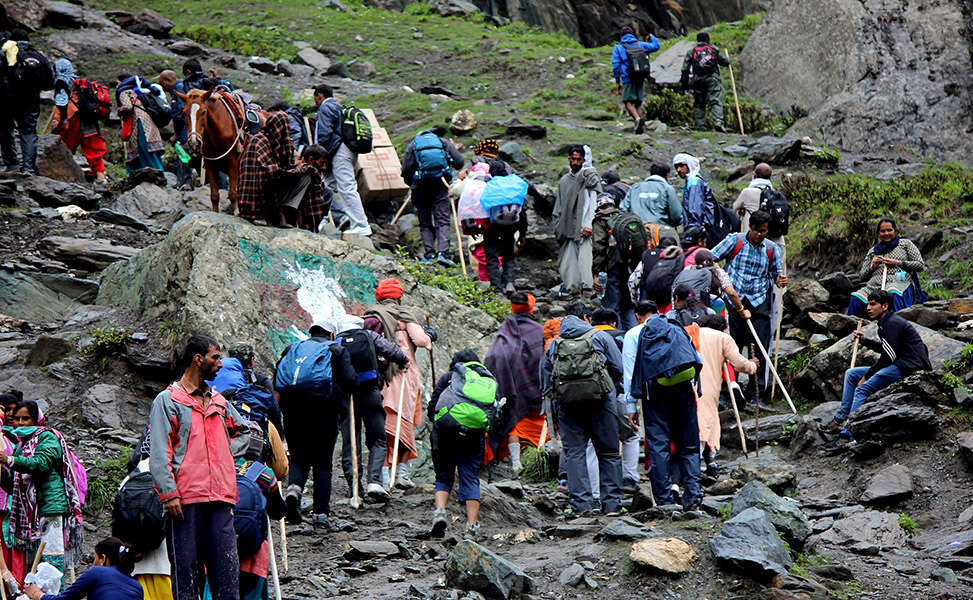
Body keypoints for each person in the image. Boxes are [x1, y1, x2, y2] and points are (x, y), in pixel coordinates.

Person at [149, 336, 249, 600]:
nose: (220, 364)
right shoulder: (168, 400)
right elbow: (159, 452)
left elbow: (245, 432)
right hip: (185, 501)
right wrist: (169, 494)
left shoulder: (219, 401)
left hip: (221, 498)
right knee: (187, 575)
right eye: (215, 357)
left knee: (226, 573)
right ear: (198, 359)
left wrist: (225, 457)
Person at [539, 311, 624, 515]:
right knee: (609, 453)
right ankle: (612, 504)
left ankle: (581, 505)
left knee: (575, 454)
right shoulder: (600, 337)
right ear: (585, 321)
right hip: (602, 403)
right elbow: (619, 368)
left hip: (568, 407)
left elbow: (546, 381)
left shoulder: (554, 345)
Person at [277, 321, 358, 529]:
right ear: (331, 334)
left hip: (293, 412)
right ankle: (320, 514)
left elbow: (279, 378)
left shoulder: (293, 349)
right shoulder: (336, 350)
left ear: (310, 333)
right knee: (322, 463)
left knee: (297, 458)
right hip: (325, 412)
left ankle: (294, 488)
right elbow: (350, 381)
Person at [824, 289, 931, 440]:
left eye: (873, 304)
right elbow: (887, 349)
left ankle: (849, 430)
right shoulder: (885, 323)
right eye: (867, 304)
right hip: (898, 363)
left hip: (908, 366)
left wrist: (868, 376)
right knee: (851, 374)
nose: (868, 308)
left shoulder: (892, 323)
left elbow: (888, 356)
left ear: (885, 306)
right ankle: (841, 418)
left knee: (862, 389)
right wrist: (865, 341)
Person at [1, 400, 85, 588]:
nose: (21, 423)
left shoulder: (47, 437)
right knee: (35, 562)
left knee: (51, 557)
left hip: (50, 506)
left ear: (37, 420)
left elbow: (42, 464)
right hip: (32, 513)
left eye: (26, 418)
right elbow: (15, 485)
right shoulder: (22, 445)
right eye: (17, 419)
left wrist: (9, 459)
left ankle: (53, 595)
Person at [362, 278, 432, 490]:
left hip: (379, 377)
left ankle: (383, 475)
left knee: (383, 428)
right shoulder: (403, 315)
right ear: (399, 297)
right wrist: (429, 337)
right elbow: (421, 341)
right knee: (404, 424)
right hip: (403, 376)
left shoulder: (370, 316)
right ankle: (400, 472)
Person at [710, 210, 787, 404]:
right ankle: (729, 392)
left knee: (760, 349)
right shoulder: (734, 241)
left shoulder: (771, 249)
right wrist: (720, 273)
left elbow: (777, 274)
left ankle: (757, 394)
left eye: (764, 231)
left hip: (760, 303)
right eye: (756, 230)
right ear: (749, 227)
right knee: (731, 347)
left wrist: (780, 280)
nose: (760, 234)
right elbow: (710, 258)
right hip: (733, 304)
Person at [630, 310, 703, 510]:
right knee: (689, 446)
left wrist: (635, 397)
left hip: (655, 394)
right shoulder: (677, 330)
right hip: (683, 392)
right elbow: (696, 359)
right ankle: (693, 496)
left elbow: (638, 367)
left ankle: (664, 501)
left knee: (658, 447)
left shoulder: (645, 334)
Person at [335, 315, 409, 503]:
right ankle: (374, 481)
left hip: (346, 395)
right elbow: (391, 350)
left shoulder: (335, 342)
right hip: (370, 390)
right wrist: (404, 360)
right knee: (377, 438)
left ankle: (355, 489)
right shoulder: (368, 335)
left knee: (351, 441)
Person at [428, 350, 498, 539]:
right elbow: (493, 412)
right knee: (470, 476)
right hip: (474, 435)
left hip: (445, 430)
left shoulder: (449, 378)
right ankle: (472, 526)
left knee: (443, 475)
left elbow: (433, 404)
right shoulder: (486, 382)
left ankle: (440, 513)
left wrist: (435, 421)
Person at [483, 292, 545, 474]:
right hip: (536, 387)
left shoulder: (506, 329)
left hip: (512, 385)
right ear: (531, 307)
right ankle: (540, 461)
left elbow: (494, 357)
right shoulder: (539, 331)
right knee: (538, 421)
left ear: (512, 307)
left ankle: (516, 462)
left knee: (513, 421)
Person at [238, 115, 330, 231]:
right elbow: (265, 172)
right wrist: (286, 171)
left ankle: (286, 212)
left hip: (274, 190)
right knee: (274, 176)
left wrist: (294, 167)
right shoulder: (259, 141)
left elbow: (286, 165)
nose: (285, 134)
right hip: (255, 193)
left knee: (308, 174)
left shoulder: (280, 144)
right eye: (283, 130)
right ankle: (262, 212)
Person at [696, 314, 758, 474]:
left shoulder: (691, 332)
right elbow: (738, 363)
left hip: (686, 383)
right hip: (708, 385)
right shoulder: (723, 338)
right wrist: (752, 365)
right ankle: (704, 462)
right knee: (708, 420)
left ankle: (695, 463)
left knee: (694, 420)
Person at [312, 84, 371, 236]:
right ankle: (324, 219)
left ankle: (361, 225)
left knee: (346, 186)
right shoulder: (338, 107)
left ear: (320, 96)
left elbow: (324, 134)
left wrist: (320, 155)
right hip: (345, 151)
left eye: (315, 98)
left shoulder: (326, 108)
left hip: (339, 152)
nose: (315, 102)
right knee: (326, 186)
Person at [401, 130, 464, 266]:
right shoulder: (443, 143)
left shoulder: (413, 145)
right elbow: (459, 162)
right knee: (442, 220)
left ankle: (429, 254)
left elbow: (405, 169)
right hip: (441, 185)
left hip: (420, 187)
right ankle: (443, 253)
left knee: (425, 222)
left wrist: (412, 183)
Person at [847, 218, 926, 316]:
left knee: (892, 293)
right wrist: (872, 266)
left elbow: (920, 265)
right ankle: (853, 327)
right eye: (883, 231)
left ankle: (896, 325)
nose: (886, 233)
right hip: (874, 286)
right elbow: (862, 276)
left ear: (896, 231)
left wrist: (898, 263)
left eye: (889, 230)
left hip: (899, 283)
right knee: (856, 298)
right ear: (878, 233)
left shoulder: (905, 244)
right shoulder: (873, 251)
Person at [24, 537, 142, 600]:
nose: (93, 563)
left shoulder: (98, 572)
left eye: (95, 558)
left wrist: (37, 594)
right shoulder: (137, 587)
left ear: (103, 559)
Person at [553, 145, 601, 297]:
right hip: (568, 226)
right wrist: (559, 225)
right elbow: (560, 205)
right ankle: (572, 289)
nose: (575, 162)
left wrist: (589, 224)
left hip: (585, 228)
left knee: (586, 260)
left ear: (583, 160)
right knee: (569, 262)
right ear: (569, 159)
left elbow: (593, 203)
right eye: (573, 159)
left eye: (578, 160)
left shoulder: (590, 178)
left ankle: (588, 290)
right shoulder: (564, 181)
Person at [51, 59, 107, 187]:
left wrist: (57, 120)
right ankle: (100, 177)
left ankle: (63, 176)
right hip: (88, 118)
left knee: (65, 148)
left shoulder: (61, 82)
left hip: (72, 119)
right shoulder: (80, 82)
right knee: (93, 148)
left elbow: (62, 104)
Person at [621, 301, 658, 486]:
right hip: (677, 389)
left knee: (653, 434)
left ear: (637, 316)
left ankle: (655, 476)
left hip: (649, 391)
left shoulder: (633, 334)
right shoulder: (673, 328)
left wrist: (631, 405)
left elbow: (629, 371)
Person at [0, 30, 44, 174]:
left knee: (6, 131)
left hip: (7, 99)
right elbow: (49, 82)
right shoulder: (39, 55)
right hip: (30, 101)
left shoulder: (5, 52)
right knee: (28, 133)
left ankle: (12, 165)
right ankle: (28, 168)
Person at [482, 159, 527, 295]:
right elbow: (523, 210)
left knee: (492, 256)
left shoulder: (489, 185)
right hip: (512, 225)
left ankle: (496, 288)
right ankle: (509, 283)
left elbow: (482, 207)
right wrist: (523, 233)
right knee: (508, 255)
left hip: (493, 226)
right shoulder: (515, 184)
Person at [591, 192, 635, 329]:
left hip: (611, 268)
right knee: (628, 306)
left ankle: (616, 339)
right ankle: (632, 337)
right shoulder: (624, 218)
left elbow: (599, 248)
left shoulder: (600, 220)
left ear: (598, 206)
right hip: (629, 268)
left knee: (612, 307)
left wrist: (596, 273)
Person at [610, 26, 660, 134]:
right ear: (632, 34)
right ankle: (641, 127)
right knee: (638, 102)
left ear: (621, 36)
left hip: (628, 77)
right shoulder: (641, 44)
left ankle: (637, 119)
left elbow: (616, 65)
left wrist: (618, 81)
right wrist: (652, 37)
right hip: (641, 76)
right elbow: (656, 46)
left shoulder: (619, 47)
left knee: (627, 101)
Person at [673, 248, 748, 318]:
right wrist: (741, 310)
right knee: (719, 303)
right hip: (707, 310)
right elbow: (731, 292)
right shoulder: (718, 271)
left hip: (683, 309)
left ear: (695, 261)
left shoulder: (687, 270)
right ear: (712, 261)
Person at [679, 31, 730, 132]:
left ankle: (700, 125)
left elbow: (684, 69)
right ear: (708, 39)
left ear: (697, 40)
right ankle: (718, 122)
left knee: (699, 102)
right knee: (715, 100)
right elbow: (724, 61)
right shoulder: (713, 49)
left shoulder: (692, 51)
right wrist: (728, 61)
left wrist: (684, 83)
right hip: (712, 79)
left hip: (697, 79)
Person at [115, 74, 164, 174]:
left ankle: (157, 176)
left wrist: (119, 111)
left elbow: (128, 107)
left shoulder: (124, 92)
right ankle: (160, 173)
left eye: (117, 83)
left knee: (144, 150)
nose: (117, 86)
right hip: (150, 122)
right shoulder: (140, 91)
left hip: (139, 124)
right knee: (152, 151)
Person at [621, 163, 682, 228]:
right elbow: (676, 215)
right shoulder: (667, 188)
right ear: (667, 175)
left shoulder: (635, 188)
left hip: (637, 231)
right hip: (660, 231)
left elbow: (623, 209)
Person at [673, 153, 717, 238]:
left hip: (698, 230)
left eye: (681, 166)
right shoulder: (692, 182)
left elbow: (695, 209)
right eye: (676, 167)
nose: (678, 169)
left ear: (689, 164)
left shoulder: (694, 182)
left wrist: (693, 232)